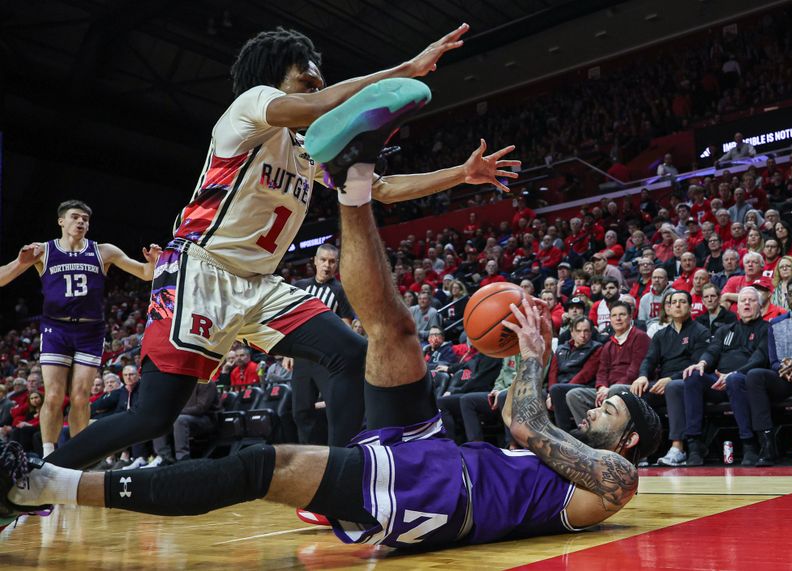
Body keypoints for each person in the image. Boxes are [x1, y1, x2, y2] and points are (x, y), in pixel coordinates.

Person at [1, 99, 662, 544]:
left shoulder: (615, 483)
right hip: (433, 448)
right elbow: (528, 421)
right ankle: (354, 180)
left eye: (615, 409)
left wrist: (528, 358)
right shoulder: (568, 445)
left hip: (435, 493)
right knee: (392, 333)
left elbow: (525, 423)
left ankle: (53, 481)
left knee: (259, 464)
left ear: (629, 442)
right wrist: (524, 350)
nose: (601, 400)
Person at [44, 25, 518, 470]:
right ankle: (36, 477)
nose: (315, 88)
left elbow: (384, 187)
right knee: (153, 416)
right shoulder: (249, 110)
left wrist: (461, 173)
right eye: (305, 80)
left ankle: (345, 482)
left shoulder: (308, 150)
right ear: (274, 80)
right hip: (202, 270)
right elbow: (317, 109)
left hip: (260, 284)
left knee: (350, 354)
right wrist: (402, 71)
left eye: (318, 82)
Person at [0, 200, 161, 458]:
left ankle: (77, 457)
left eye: (85, 219)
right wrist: (20, 261)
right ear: (61, 221)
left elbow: (144, 273)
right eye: (75, 217)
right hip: (56, 329)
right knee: (52, 395)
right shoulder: (43, 251)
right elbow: (3, 277)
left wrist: (153, 263)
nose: (81, 222)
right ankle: (49, 455)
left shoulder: (104, 251)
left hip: (90, 332)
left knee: (80, 396)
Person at [681, 287, 769, 466]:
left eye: (751, 300)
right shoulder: (725, 330)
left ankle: (749, 444)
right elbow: (712, 351)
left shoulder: (766, 328)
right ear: (736, 307)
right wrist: (702, 364)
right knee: (693, 376)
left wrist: (733, 374)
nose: (746, 303)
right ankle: (694, 445)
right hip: (718, 382)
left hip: (744, 380)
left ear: (760, 307)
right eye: (742, 300)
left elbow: (760, 358)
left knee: (735, 380)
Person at [624, 290, 711, 466]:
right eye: (674, 302)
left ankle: (677, 448)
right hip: (663, 382)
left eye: (682, 302)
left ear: (690, 307)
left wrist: (671, 379)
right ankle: (642, 449)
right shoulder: (660, 335)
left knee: (674, 387)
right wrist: (642, 377)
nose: (678, 305)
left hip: (686, 381)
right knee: (634, 394)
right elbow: (649, 360)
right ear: (668, 308)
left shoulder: (700, 332)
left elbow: (696, 364)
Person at [289, 243, 361, 445]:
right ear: (315, 261)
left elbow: (346, 325)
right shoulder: (300, 287)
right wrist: (288, 353)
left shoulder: (340, 291)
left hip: (328, 360)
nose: (327, 265)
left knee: (336, 410)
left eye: (331, 261)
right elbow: (291, 322)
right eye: (323, 260)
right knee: (301, 411)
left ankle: (336, 455)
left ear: (337, 265)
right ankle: (310, 455)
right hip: (303, 358)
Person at [564, 301, 650, 429]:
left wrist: (609, 389)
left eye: (622, 314)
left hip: (630, 387)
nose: (618, 318)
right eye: (614, 315)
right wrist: (601, 387)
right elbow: (602, 371)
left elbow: (635, 370)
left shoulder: (640, 337)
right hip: (609, 389)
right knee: (574, 395)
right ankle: (591, 434)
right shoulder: (608, 344)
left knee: (616, 390)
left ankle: (611, 435)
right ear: (610, 319)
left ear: (631, 317)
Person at [742, 276, 792, 466]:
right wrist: (783, 369)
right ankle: (767, 445)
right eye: (791, 294)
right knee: (755, 375)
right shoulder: (775, 324)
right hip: (785, 378)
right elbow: (773, 361)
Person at [548, 317, 603, 430]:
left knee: (557, 390)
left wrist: (556, 391)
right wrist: (550, 394)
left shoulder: (597, 348)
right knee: (537, 395)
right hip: (558, 387)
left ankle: (564, 433)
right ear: (572, 332)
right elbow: (553, 373)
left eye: (586, 331)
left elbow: (586, 374)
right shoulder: (561, 349)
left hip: (581, 386)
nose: (583, 335)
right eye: (578, 331)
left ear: (591, 332)